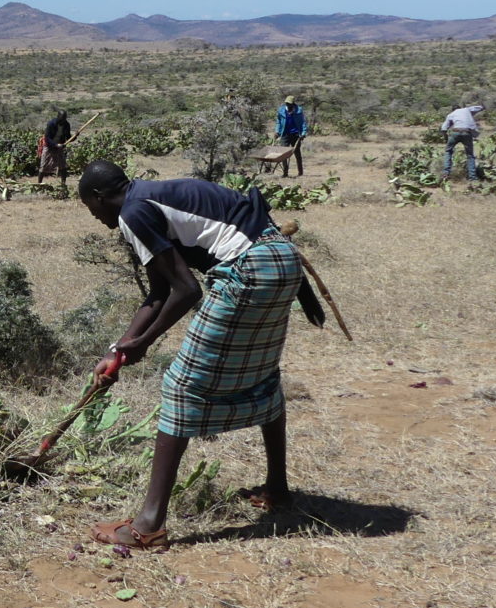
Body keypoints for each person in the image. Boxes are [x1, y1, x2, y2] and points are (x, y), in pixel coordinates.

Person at [75, 160, 321, 549]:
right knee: (262, 373)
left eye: (92, 210)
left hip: (249, 270)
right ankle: (277, 488)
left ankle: (148, 525)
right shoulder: (149, 198)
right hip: (280, 262)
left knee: (180, 385)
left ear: (99, 197)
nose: (97, 219)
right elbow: (160, 292)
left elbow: (188, 290)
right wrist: (118, 349)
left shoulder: (132, 212)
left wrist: (145, 342)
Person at [440, 103, 486, 182]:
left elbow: (444, 128)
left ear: (453, 109)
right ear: (460, 108)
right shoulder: (466, 109)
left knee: (448, 151)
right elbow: (478, 108)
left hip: (455, 132)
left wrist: (446, 138)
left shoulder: (451, 114)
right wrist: (482, 107)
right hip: (467, 133)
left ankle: (446, 173)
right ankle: (472, 177)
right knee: (470, 155)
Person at [274, 96, 308, 178]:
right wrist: (277, 131)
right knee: (283, 154)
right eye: (287, 103)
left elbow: (303, 122)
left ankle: (300, 172)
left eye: (290, 104)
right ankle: (285, 173)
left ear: (293, 104)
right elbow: (278, 122)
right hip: (285, 134)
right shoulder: (281, 111)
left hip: (295, 134)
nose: (288, 105)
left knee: (297, 153)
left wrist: (303, 133)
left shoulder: (298, 111)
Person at [37, 111, 72, 186]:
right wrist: (56, 145)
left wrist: (75, 136)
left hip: (60, 146)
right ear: (58, 117)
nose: (63, 120)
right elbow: (47, 138)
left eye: (64, 118)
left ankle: (63, 184)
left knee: (63, 166)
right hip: (49, 146)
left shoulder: (66, 125)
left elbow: (69, 137)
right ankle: (39, 184)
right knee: (43, 165)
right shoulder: (51, 124)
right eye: (62, 118)